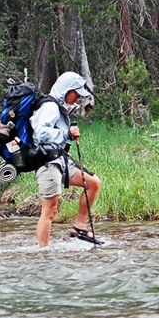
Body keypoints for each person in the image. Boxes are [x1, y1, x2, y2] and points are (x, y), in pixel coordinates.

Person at [30, 71, 101, 247]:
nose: (78, 98)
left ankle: (80, 226)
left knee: (92, 183)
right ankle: (43, 252)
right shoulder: (50, 107)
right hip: (46, 161)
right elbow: (39, 133)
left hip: (59, 159)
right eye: (76, 93)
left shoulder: (59, 107)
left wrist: (65, 135)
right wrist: (66, 133)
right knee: (50, 210)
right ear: (66, 91)